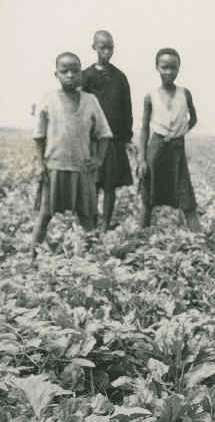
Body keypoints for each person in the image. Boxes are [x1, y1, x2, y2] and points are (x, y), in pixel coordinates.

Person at [31, 52, 113, 254]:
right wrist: (40, 163)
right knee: (45, 215)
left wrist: (99, 159)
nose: (70, 75)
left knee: (87, 216)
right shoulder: (49, 99)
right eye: (64, 71)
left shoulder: (90, 100)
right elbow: (39, 136)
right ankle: (31, 255)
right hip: (55, 167)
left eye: (75, 71)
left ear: (81, 74)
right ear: (56, 74)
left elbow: (104, 134)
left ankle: (95, 257)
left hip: (82, 167)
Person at [138, 48, 200, 232]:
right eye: (164, 67)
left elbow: (193, 119)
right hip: (155, 148)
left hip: (176, 149)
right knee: (148, 196)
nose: (169, 72)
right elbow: (144, 128)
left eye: (173, 67)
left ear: (179, 68)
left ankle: (198, 236)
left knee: (185, 194)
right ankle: (142, 235)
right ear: (157, 68)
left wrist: (180, 132)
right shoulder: (151, 95)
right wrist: (141, 159)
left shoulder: (184, 93)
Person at [81, 30, 133, 230]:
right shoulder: (85, 76)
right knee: (92, 184)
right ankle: (91, 224)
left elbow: (127, 108)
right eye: (102, 47)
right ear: (94, 47)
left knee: (110, 184)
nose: (107, 51)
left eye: (110, 47)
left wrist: (127, 137)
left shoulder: (120, 77)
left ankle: (105, 224)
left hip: (113, 140)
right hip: (91, 140)